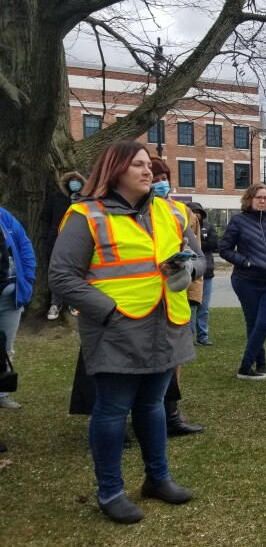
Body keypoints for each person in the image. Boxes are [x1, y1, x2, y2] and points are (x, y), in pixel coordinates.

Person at [49, 139, 205, 524]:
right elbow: (61, 277)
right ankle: (110, 491)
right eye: (137, 164)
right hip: (115, 329)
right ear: (115, 170)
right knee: (113, 410)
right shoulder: (86, 215)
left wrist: (188, 271)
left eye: (148, 165)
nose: (148, 170)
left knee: (153, 405)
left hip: (165, 323)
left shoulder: (172, 212)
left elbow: (201, 257)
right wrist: (107, 311)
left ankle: (157, 477)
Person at [149, 157, 204, 435]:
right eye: (154, 177)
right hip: (134, 308)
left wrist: (189, 276)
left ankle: (171, 416)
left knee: (174, 363)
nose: (159, 183)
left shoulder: (180, 212)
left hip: (174, 302)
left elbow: (199, 259)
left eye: (163, 177)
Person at [219, 183, 266, 380]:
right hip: (246, 280)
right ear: (249, 199)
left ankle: (245, 364)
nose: (262, 201)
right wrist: (245, 262)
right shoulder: (239, 221)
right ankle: (260, 363)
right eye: (258, 197)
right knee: (253, 322)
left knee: (265, 322)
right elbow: (224, 248)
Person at [0, 207, 36, 411]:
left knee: (4, 348)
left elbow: (24, 245)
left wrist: (28, 278)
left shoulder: (3, 215)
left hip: (10, 295)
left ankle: (1, 393)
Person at [43, 170, 85, 320]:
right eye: (71, 180)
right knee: (56, 271)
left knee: (76, 271)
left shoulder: (84, 199)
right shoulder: (56, 198)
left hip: (78, 240)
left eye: (77, 180)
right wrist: (48, 236)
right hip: (55, 239)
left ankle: (73, 302)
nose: (74, 183)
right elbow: (46, 217)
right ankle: (55, 303)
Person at [187, 201, 218, 346]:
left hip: (207, 271)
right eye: (194, 212)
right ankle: (189, 336)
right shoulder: (184, 227)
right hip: (190, 273)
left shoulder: (208, 226)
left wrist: (197, 242)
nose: (196, 214)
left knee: (204, 307)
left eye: (199, 212)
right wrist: (200, 242)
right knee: (190, 306)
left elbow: (214, 244)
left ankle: (202, 335)